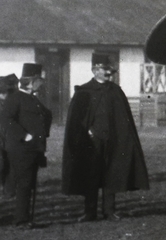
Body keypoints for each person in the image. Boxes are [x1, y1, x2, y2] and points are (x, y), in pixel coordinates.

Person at [61, 55, 150, 221]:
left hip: (113, 142)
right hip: (91, 143)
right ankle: (90, 212)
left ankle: (109, 211)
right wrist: (87, 131)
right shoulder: (84, 91)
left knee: (111, 174)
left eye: (110, 71)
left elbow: (123, 119)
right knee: (91, 175)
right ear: (95, 70)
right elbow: (77, 120)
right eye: (105, 70)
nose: (110, 73)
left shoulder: (115, 91)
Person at [3, 63, 54, 228]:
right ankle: (21, 220)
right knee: (24, 183)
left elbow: (46, 116)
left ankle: (26, 218)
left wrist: (42, 136)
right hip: (21, 148)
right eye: (39, 80)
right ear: (31, 81)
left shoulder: (33, 98)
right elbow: (6, 120)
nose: (42, 83)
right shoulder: (15, 98)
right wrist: (24, 135)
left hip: (34, 148)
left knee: (30, 183)